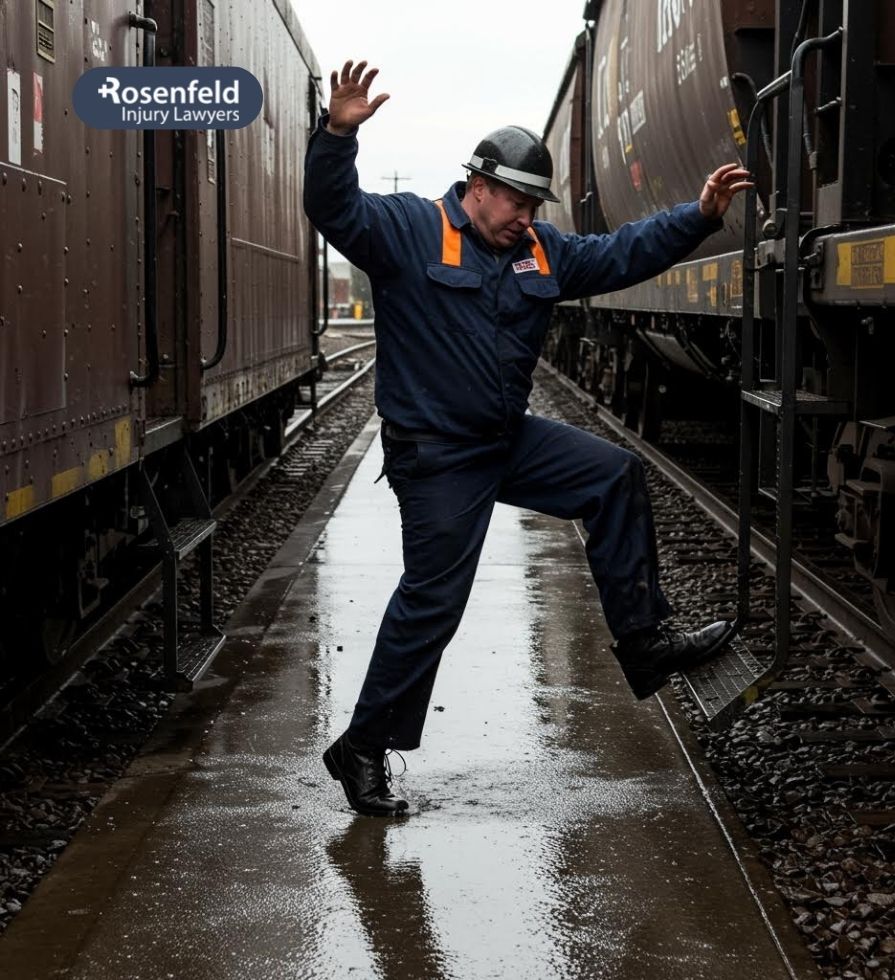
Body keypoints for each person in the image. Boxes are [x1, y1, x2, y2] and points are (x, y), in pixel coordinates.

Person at [304, 60, 753, 817]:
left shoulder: (540, 250)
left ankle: (644, 644)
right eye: (516, 199)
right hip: (437, 452)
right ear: (477, 184)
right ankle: (361, 748)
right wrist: (335, 135)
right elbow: (332, 208)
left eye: (535, 204)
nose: (526, 215)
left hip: (503, 440)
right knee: (434, 601)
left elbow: (622, 253)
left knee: (613, 475)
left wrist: (699, 217)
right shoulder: (408, 230)